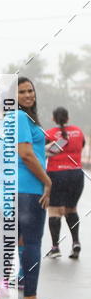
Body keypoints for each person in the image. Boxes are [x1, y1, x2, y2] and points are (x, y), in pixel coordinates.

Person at [15, 77, 54, 299]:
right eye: (22, 92)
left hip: (21, 189)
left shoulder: (24, 118)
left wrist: (44, 151)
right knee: (32, 242)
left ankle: (1, 293)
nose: (28, 95)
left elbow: (30, 151)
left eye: (30, 90)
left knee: (20, 241)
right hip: (29, 188)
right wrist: (47, 181)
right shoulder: (19, 116)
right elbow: (26, 155)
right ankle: (30, 296)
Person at [45, 107, 85, 259]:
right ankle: (76, 242)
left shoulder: (50, 134)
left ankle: (55, 248)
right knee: (71, 209)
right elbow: (81, 146)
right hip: (76, 175)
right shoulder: (78, 132)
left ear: (53, 119)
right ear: (68, 118)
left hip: (56, 174)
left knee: (54, 211)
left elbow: (44, 152)